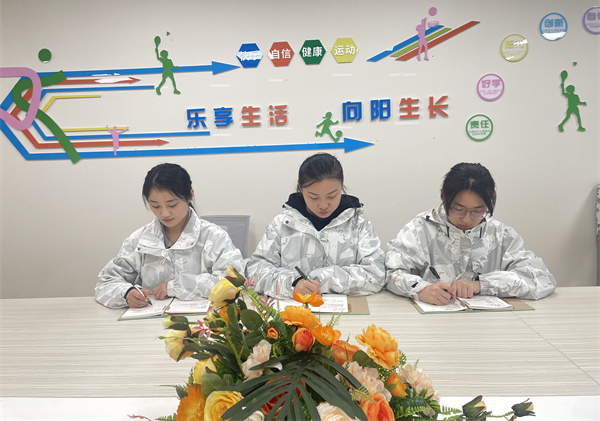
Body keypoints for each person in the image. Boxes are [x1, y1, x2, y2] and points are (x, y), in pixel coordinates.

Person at [385, 162, 556, 305]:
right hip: (433, 322)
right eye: (458, 209)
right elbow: (392, 273)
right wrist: (421, 289)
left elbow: (541, 279)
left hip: (488, 325)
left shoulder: (501, 234)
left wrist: (481, 285)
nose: (467, 219)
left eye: (477, 211)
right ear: (443, 196)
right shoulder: (419, 229)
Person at [95, 163, 244, 308]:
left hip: (204, 320)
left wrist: (176, 287)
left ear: (190, 195)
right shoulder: (139, 240)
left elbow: (234, 281)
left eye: (172, 205)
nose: (164, 213)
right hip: (148, 320)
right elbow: (106, 282)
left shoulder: (214, 237)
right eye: (155, 206)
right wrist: (126, 293)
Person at [246, 153, 385, 299]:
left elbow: (376, 275)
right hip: (294, 309)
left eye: (332, 196)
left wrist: (323, 279)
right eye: (313, 197)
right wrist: (293, 283)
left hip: (347, 309)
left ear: (341, 185)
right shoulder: (282, 224)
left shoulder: (358, 224)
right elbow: (255, 270)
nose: (323, 205)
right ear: (300, 187)